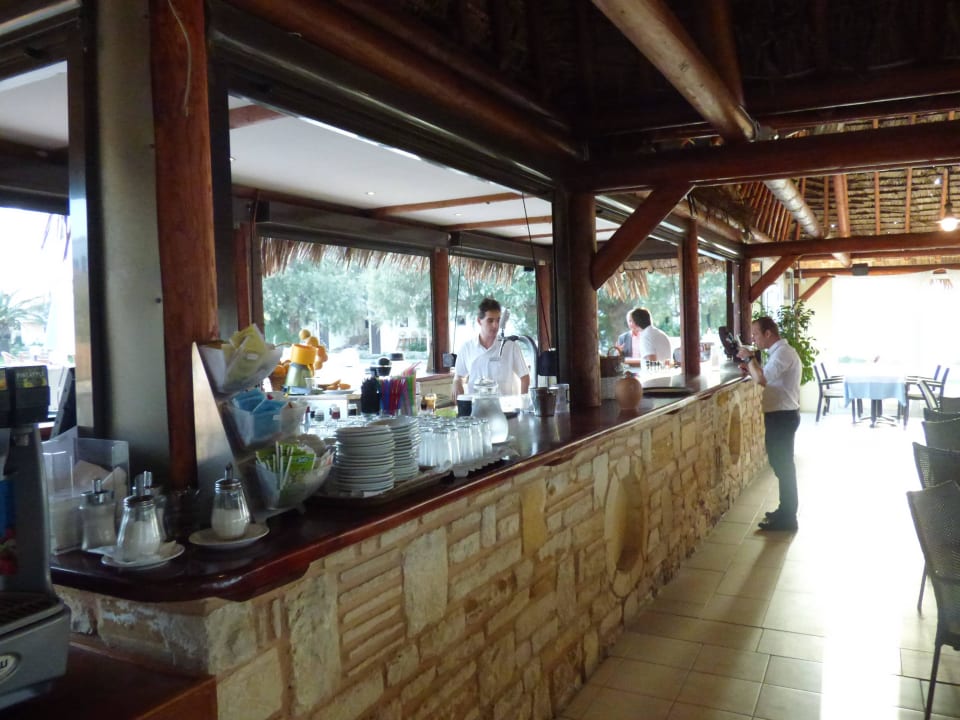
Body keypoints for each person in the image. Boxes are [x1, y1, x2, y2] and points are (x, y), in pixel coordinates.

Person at [737, 316, 801, 532]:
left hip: (783, 416)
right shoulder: (778, 353)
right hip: (780, 415)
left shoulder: (783, 353)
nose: (754, 339)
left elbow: (762, 379)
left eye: (756, 334)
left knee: (783, 466)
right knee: (780, 464)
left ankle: (788, 517)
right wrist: (750, 366)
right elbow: (765, 376)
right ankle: (785, 511)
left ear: (768, 333)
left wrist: (749, 359)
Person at [452, 297, 530, 397]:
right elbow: (459, 376)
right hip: (476, 405)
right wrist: (456, 383)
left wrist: (523, 402)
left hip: (505, 405)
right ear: (479, 321)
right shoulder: (467, 348)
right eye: (490, 321)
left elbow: (525, 377)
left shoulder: (511, 347)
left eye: (498, 320)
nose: (495, 325)